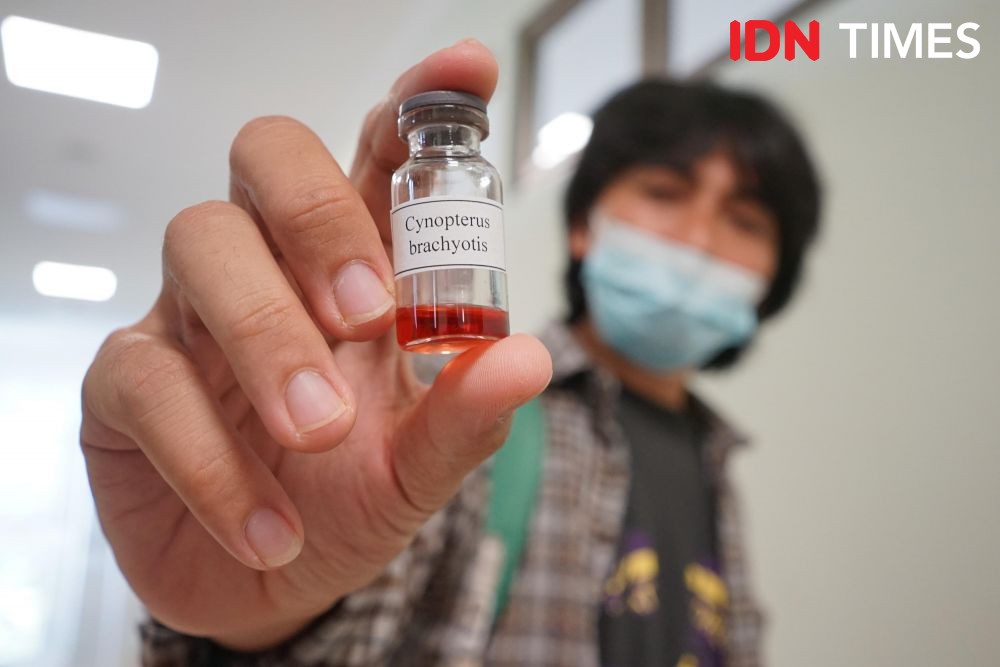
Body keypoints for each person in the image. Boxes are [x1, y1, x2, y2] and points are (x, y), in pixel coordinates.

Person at [80, 39, 819, 667]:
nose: (695, 240)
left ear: (774, 275)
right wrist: (252, 623)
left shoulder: (717, 460)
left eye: (744, 219)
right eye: (664, 191)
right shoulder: (450, 405)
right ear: (583, 225)